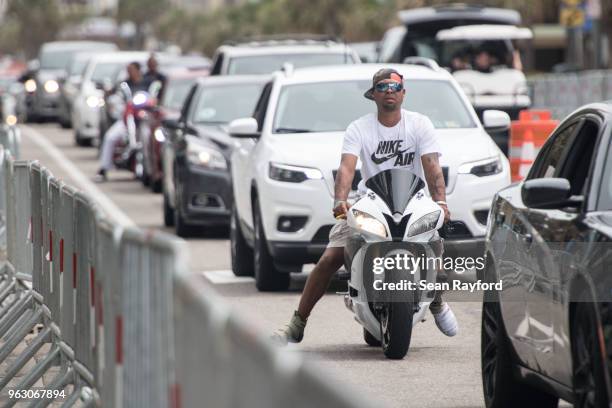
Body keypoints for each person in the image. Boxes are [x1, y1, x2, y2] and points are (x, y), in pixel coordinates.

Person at [272, 68, 458, 345]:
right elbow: (347, 168)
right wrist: (340, 201)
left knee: (434, 242)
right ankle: (297, 323)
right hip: (371, 202)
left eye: (395, 87)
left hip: (414, 201)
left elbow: (432, 166)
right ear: (374, 95)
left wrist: (441, 202)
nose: (389, 92)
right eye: (382, 87)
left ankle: (436, 301)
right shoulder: (359, 127)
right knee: (330, 258)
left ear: (403, 93)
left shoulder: (420, 124)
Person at [95, 62, 145, 182]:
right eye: (128, 70)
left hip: (143, 121)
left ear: (138, 70)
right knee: (110, 137)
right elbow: (114, 95)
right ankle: (103, 168)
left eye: (132, 70)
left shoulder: (146, 83)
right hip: (127, 120)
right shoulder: (124, 84)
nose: (130, 73)